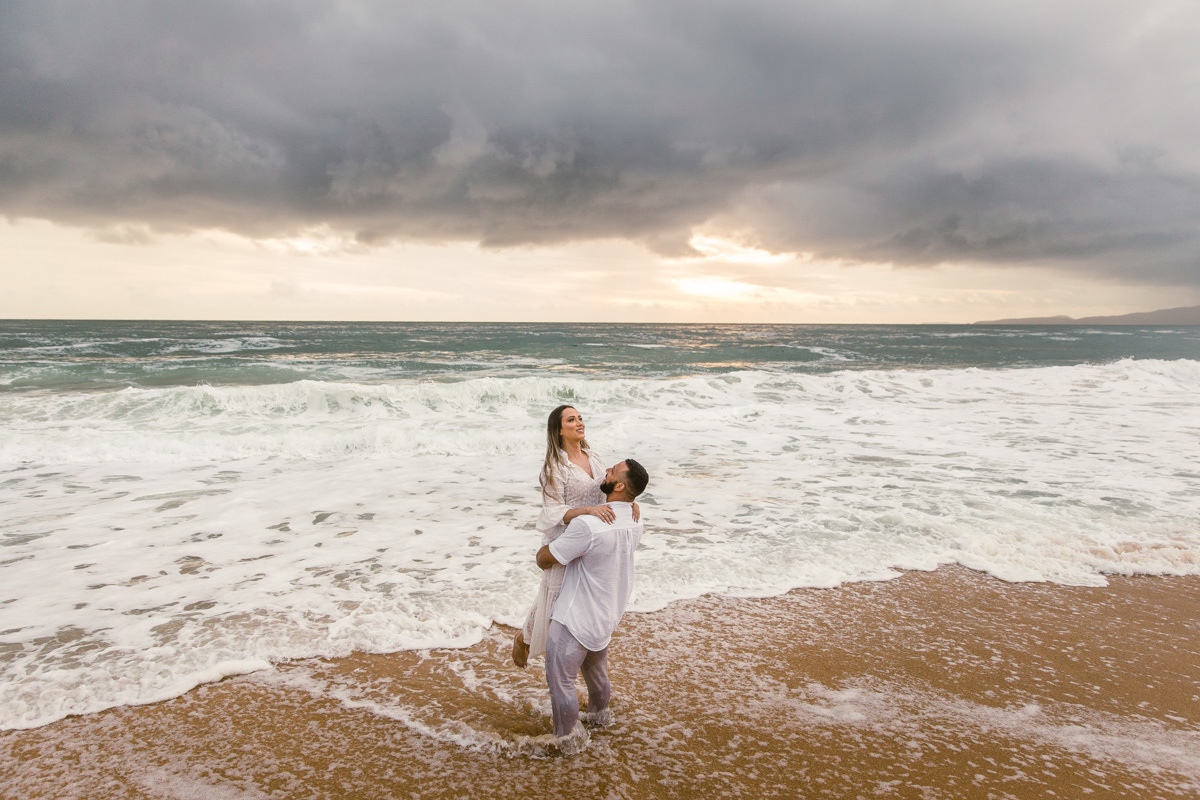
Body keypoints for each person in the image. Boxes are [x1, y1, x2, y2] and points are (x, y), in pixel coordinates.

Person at [536, 458, 649, 752]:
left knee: (561, 681)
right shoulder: (637, 519)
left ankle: (566, 742)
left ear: (619, 485)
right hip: (606, 615)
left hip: (574, 618)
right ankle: (600, 718)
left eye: (611, 471)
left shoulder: (589, 525)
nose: (605, 472)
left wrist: (543, 547)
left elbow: (546, 559)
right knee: (598, 676)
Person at [512, 405, 637, 668]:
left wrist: (630, 503)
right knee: (556, 595)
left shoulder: (595, 457)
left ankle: (579, 652)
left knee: (583, 597)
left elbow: (610, 488)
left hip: (594, 538)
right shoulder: (555, 467)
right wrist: (587, 511)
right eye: (571, 420)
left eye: (580, 418)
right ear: (558, 430)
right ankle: (525, 638)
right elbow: (552, 511)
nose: (579, 422)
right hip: (566, 537)